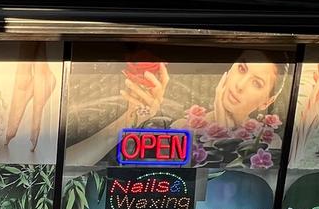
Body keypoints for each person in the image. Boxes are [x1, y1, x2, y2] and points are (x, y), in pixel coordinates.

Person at [64, 51, 285, 169]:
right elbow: (67, 169)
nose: (239, 85)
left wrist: (223, 126)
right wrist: (130, 119)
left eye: (257, 83)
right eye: (242, 68)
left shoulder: (269, 144)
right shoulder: (180, 126)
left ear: (267, 101)